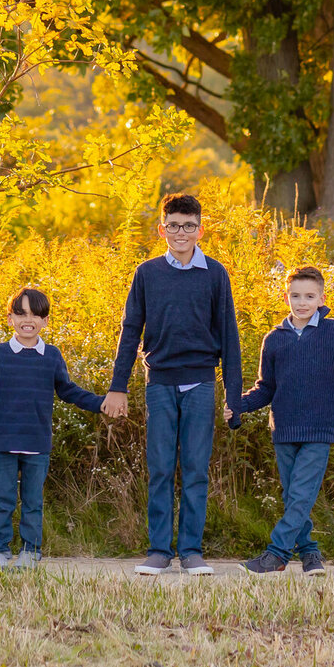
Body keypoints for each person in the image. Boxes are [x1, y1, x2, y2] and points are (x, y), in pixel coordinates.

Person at [104, 192, 245, 576]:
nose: (181, 232)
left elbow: (229, 337)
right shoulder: (147, 273)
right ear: (161, 228)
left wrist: (235, 396)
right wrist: (118, 386)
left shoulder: (215, 274)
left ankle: (192, 551)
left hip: (200, 383)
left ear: (200, 229)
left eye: (188, 226)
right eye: (173, 226)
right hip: (160, 384)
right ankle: (159, 551)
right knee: (162, 467)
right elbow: (130, 329)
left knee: (196, 468)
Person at [228, 266, 334, 576]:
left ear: (322, 298)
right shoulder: (274, 339)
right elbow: (266, 388)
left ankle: (277, 553)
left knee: (301, 493)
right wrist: (238, 405)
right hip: (284, 429)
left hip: (319, 431)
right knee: (294, 496)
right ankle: (310, 555)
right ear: (286, 297)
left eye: (309, 296)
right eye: (295, 296)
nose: (302, 302)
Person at [0, 287, 106, 568]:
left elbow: (69, 391)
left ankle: (31, 552)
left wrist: (101, 404)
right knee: (3, 500)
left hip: (37, 442)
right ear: (10, 319)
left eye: (35, 314)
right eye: (20, 313)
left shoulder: (52, 356)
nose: (27, 319)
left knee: (33, 502)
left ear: (45, 321)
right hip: (5, 442)